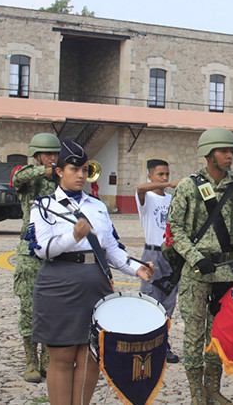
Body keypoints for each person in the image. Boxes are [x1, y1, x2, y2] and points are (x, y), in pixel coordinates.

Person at [29, 138, 154, 405]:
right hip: (58, 283)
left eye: (85, 170)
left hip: (94, 284)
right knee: (62, 357)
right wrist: (73, 237)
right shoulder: (43, 206)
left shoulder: (97, 206)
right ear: (59, 171)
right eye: (74, 169)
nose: (81, 175)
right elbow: (42, 250)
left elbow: (111, 249)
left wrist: (136, 269)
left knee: (91, 357)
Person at [167, 128, 233, 404]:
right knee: (194, 334)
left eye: (231, 151)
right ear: (209, 154)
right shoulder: (188, 186)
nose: (229, 156)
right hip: (197, 273)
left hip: (227, 273)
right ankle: (197, 393)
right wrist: (194, 256)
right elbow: (174, 228)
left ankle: (212, 388)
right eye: (224, 151)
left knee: (218, 336)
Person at [12, 132, 60, 383]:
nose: (52, 158)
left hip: (55, 251)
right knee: (29, 308)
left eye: (55, 154)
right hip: (30, 251)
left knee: (52, 308)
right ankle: (30, 358)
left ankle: (47, 358)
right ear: (37, 155)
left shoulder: (60, 178)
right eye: (47, 154)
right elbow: (17, 178)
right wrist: (45, 171)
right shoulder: (28, 175)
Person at [136, 159, 181, 362]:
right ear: (151, 176)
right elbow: (140, 188)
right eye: (160, 174)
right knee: (150, 299)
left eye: (167, 175)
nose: (164, 178)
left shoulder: (172, 199)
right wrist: (166, 186)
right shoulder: (147, 198)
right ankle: (146, 342)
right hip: (153, 253)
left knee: (168, 301)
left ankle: (163, 343)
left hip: (170, 254)